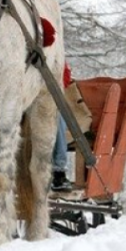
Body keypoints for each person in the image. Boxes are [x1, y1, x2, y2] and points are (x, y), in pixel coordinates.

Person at [52, 63, 74, 192]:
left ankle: (58, 171)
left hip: (47, 97)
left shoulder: (56, 53)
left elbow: (65, 77)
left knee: (57, 116)